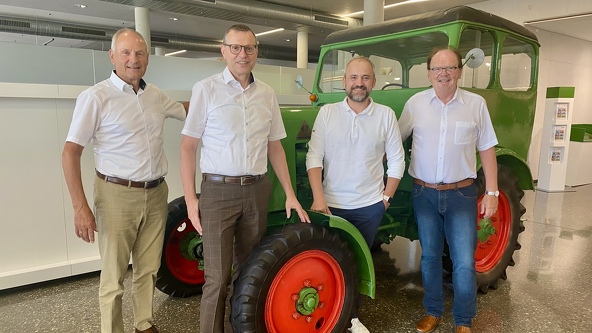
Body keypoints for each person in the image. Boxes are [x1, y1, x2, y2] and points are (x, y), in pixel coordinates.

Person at [179, 24, 310, 333]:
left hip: (256, 191)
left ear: (256, 53)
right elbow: (188, 146)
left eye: (249, 48)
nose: (242, 54)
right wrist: (190, 199)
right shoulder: (206, 89)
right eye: (235, 48)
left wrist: (290, 193)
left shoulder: (266, 93)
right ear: (223, 51)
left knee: (249, 271)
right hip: (218, 192)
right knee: (217, 278)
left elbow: (274, 146)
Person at [62, 28, 188, 333]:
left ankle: (143, 324)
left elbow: (187, 111)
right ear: (113, 56)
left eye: (140, 53)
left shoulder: (154, 94)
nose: (134, 59)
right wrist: (80, 207)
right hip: (116, 195)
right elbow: (70, 153)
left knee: (148, 269)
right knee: (113, 276)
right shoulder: (96, 97)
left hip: (157, 193)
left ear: (147, 58)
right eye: (127, 53)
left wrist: (218, 99)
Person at [398, 46, 499, 333]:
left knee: (464, 261)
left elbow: (488, 149)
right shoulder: (415, 104)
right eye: (437, 69)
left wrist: (492, 193)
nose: (444, 73)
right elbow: (395, 141)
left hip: (461, 194)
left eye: (450, 68)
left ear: (460, 72)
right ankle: (433, 311)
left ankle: (464, 320)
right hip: (424, 194)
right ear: (429, 74)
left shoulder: (476, 104)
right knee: (429, 257)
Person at [306, 56, 406, 333]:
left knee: (356, 266)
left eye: (365, 78)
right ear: (344, 82)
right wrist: (318, 197)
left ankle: (350, 318)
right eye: (353, 78)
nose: (359, 83)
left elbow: (397, 161)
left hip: (368, 206)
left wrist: (385, 200)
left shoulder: (385, 115)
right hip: (329, 204)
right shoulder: (327, 113)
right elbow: (314, 156)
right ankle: (323, 315)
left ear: (373, 82)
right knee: (327, 263)